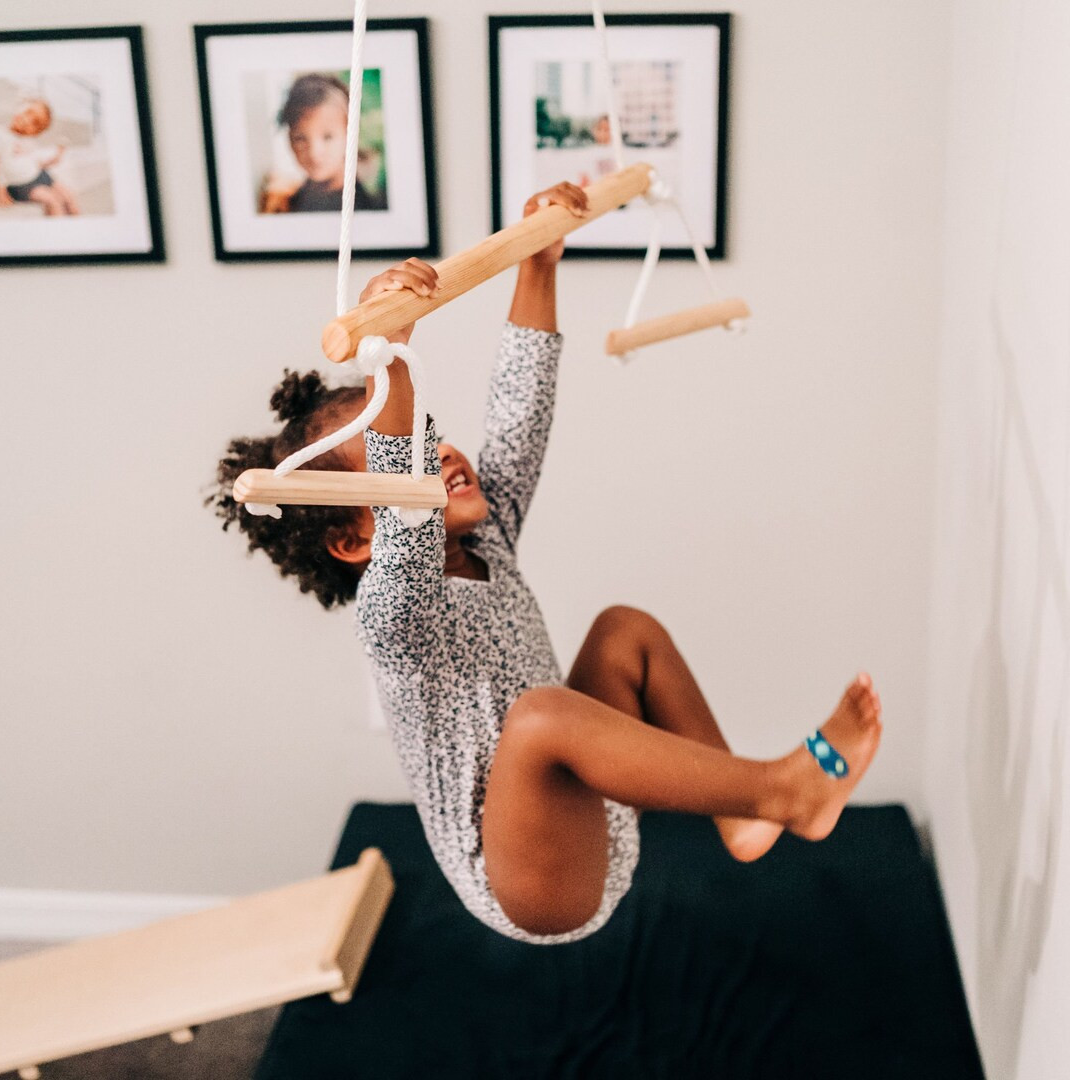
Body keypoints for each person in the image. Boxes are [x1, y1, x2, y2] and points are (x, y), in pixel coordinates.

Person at [211, 181, 883, 944]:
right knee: (539, 716)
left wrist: (539, 262)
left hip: (595, 823)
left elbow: (519, 415)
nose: (443, 453)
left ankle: (741, 819)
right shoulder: (396, 615)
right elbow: (406, 510)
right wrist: (388, 354)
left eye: (433, 433)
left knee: (623, 631)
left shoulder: (486, 539)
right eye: (413, 450)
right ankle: (781, 792)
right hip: (528, 883)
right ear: (352, 541)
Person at [259, 73, 387, 215]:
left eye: (328, 137)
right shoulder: (293, 199)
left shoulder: (366, 207)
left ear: (350, 135)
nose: (314, 152)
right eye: (300, 138)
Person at [0, 99, 78, 216]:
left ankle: (79, 225)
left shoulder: (27, 139)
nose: (27, 120)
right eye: (28, 112)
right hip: (21, 185)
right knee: (53, 201)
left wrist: (54, 159)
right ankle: (58, 227)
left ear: (35, 132)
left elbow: (34, 161)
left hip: (40, 175)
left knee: (69, 197)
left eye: (35, 123)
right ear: (20, 107)